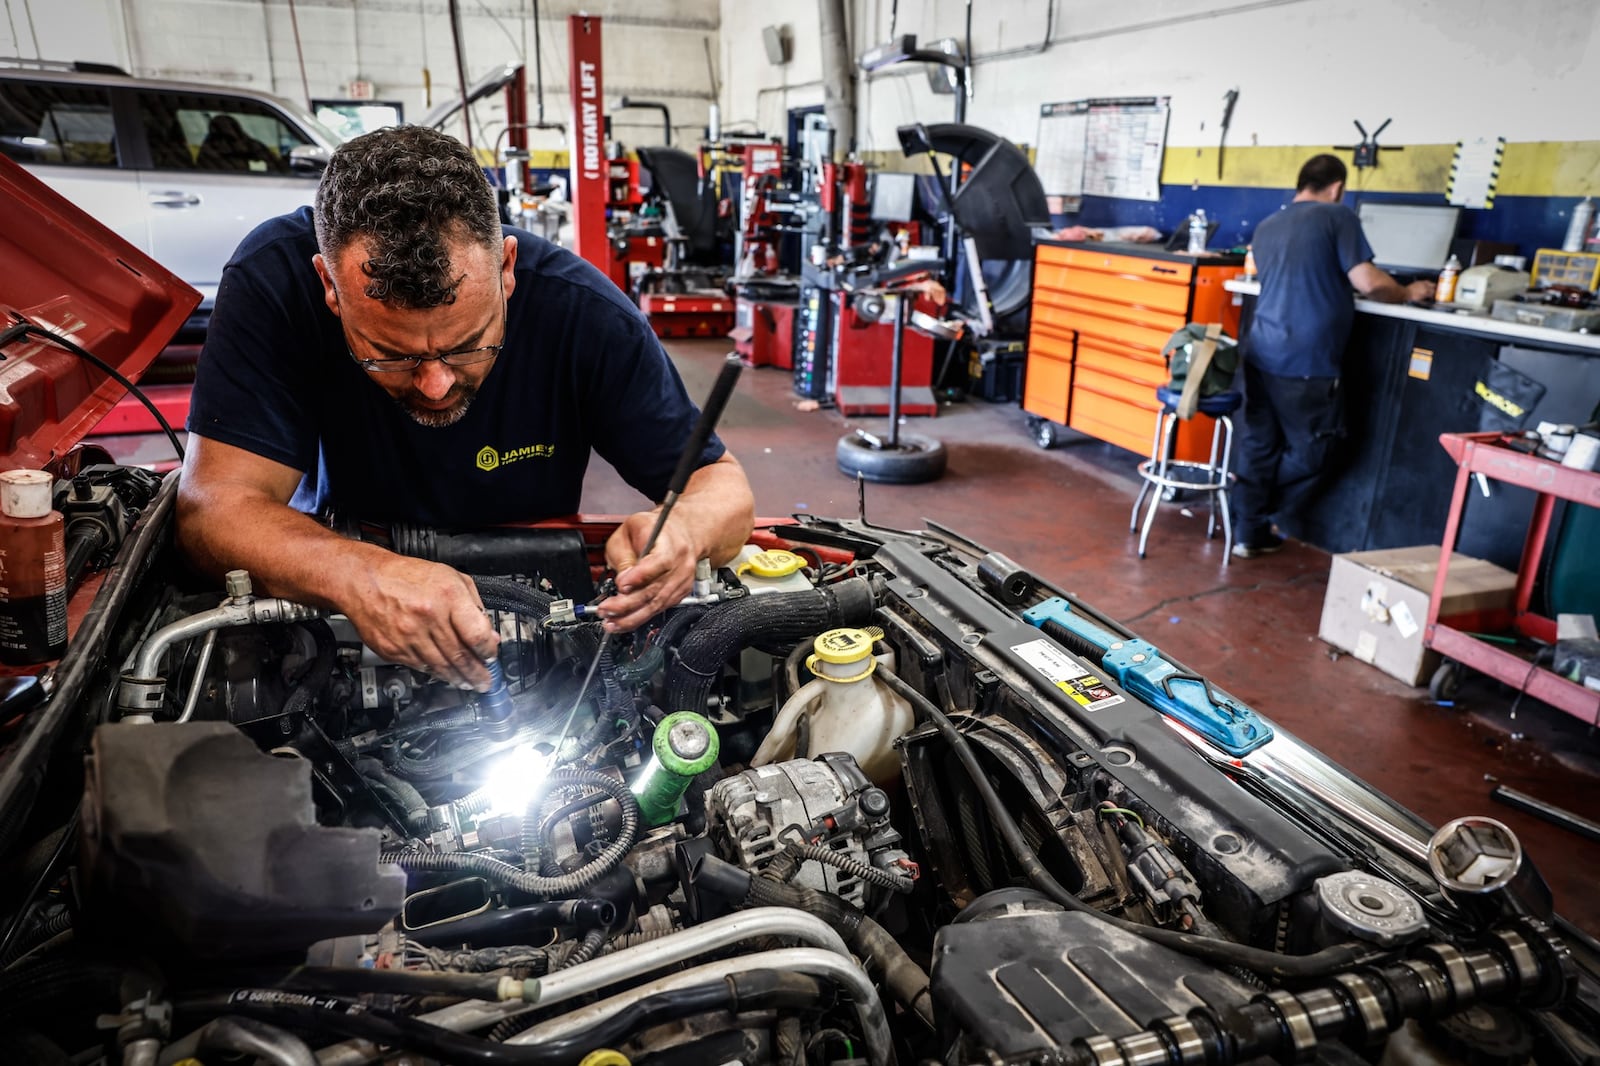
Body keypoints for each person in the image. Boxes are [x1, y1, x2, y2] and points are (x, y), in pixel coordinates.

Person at [178, 126, 755, 691]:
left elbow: (723, 489)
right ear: (329, 284)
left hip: (535, 608)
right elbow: (215, 509)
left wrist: (682, 532)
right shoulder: (273, 281)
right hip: (336, 589)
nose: (434, 385)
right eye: (390, 354)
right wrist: (359, 574)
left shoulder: (583, 313)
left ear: (506, 269)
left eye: (467, 346)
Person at [1230, 153, 1434, 557]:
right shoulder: (1338, 218)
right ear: (1338, 188)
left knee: (1259, 445)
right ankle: (1257, 514)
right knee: (1313, 452)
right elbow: (1370, 282)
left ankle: (1247, 530)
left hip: (1261, 351)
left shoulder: (1268, 226)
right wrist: (1409, 292)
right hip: (1306, 360)